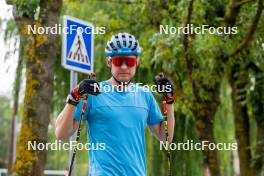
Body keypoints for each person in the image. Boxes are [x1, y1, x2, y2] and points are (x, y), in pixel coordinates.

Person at [55, 32, 175, 176]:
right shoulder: (93, 94)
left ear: (137, 62)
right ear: (109, 62)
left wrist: (169, 101)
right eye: (118, 62)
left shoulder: (145, 95)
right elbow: (61, 133)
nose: (124, 67)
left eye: (129, 62)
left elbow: (165, 138)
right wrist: (74, 96)